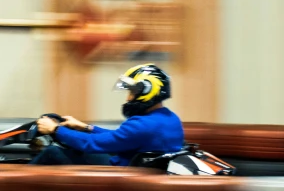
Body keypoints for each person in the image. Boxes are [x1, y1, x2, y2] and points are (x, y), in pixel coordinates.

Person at [30, 63, 184, 166]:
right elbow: (120, 138)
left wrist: (55, 129)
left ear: (147, 91)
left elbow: (92, 144)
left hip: (122, 173)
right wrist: (85, 127)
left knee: (53, 152)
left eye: (131, 92)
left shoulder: (143, 125)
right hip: (137, 168)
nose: (128, 98)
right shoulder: (170, 119)